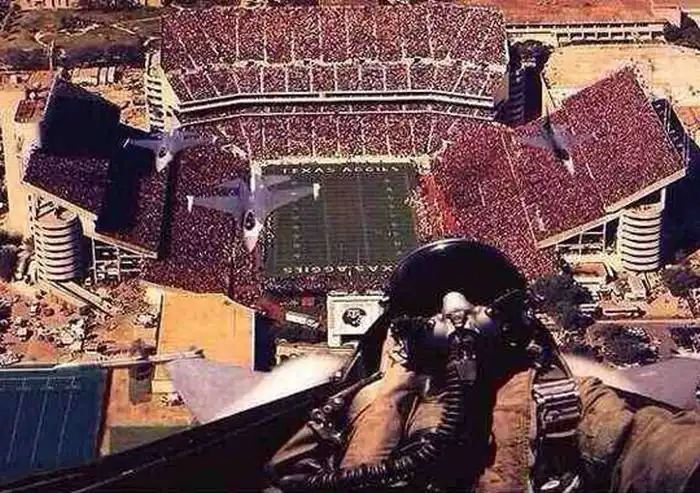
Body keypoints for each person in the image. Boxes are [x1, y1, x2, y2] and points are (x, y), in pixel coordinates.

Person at [268, 239, 700, 492]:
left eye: (477, 296)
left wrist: (381, 403)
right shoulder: (361, 407)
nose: (456, 310)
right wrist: (387, 398)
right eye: (433, 305)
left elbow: (660, 449)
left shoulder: (566, 404)